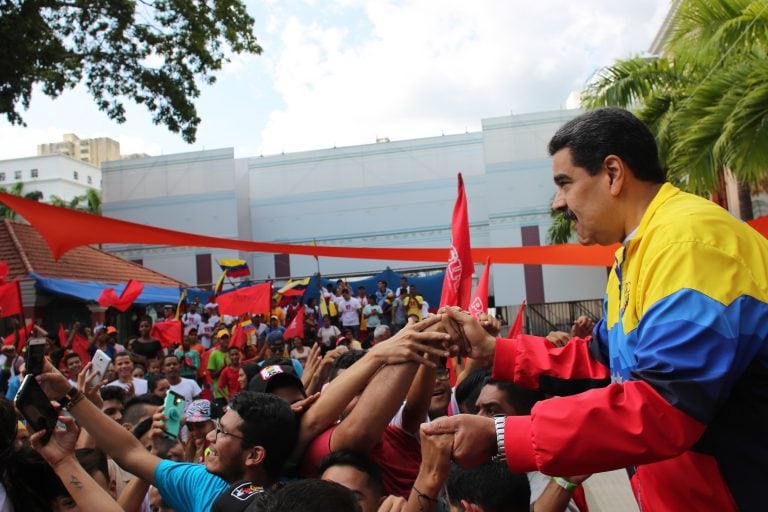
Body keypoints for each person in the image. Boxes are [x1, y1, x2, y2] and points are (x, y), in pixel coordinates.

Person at [425, 107, 768, 512]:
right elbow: (600, 360)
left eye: (565, 184)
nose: (558, 204)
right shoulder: (638, 253)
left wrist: (502, 437)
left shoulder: (688, 245)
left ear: (613, 173)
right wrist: (496, 351)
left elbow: (664, 406)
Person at [37, 360, 299, 512]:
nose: (209, 438)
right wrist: (70, 396)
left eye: (221, 432)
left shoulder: (295, 503)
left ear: (254, 455)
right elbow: (130, 453)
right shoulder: (203, 481)